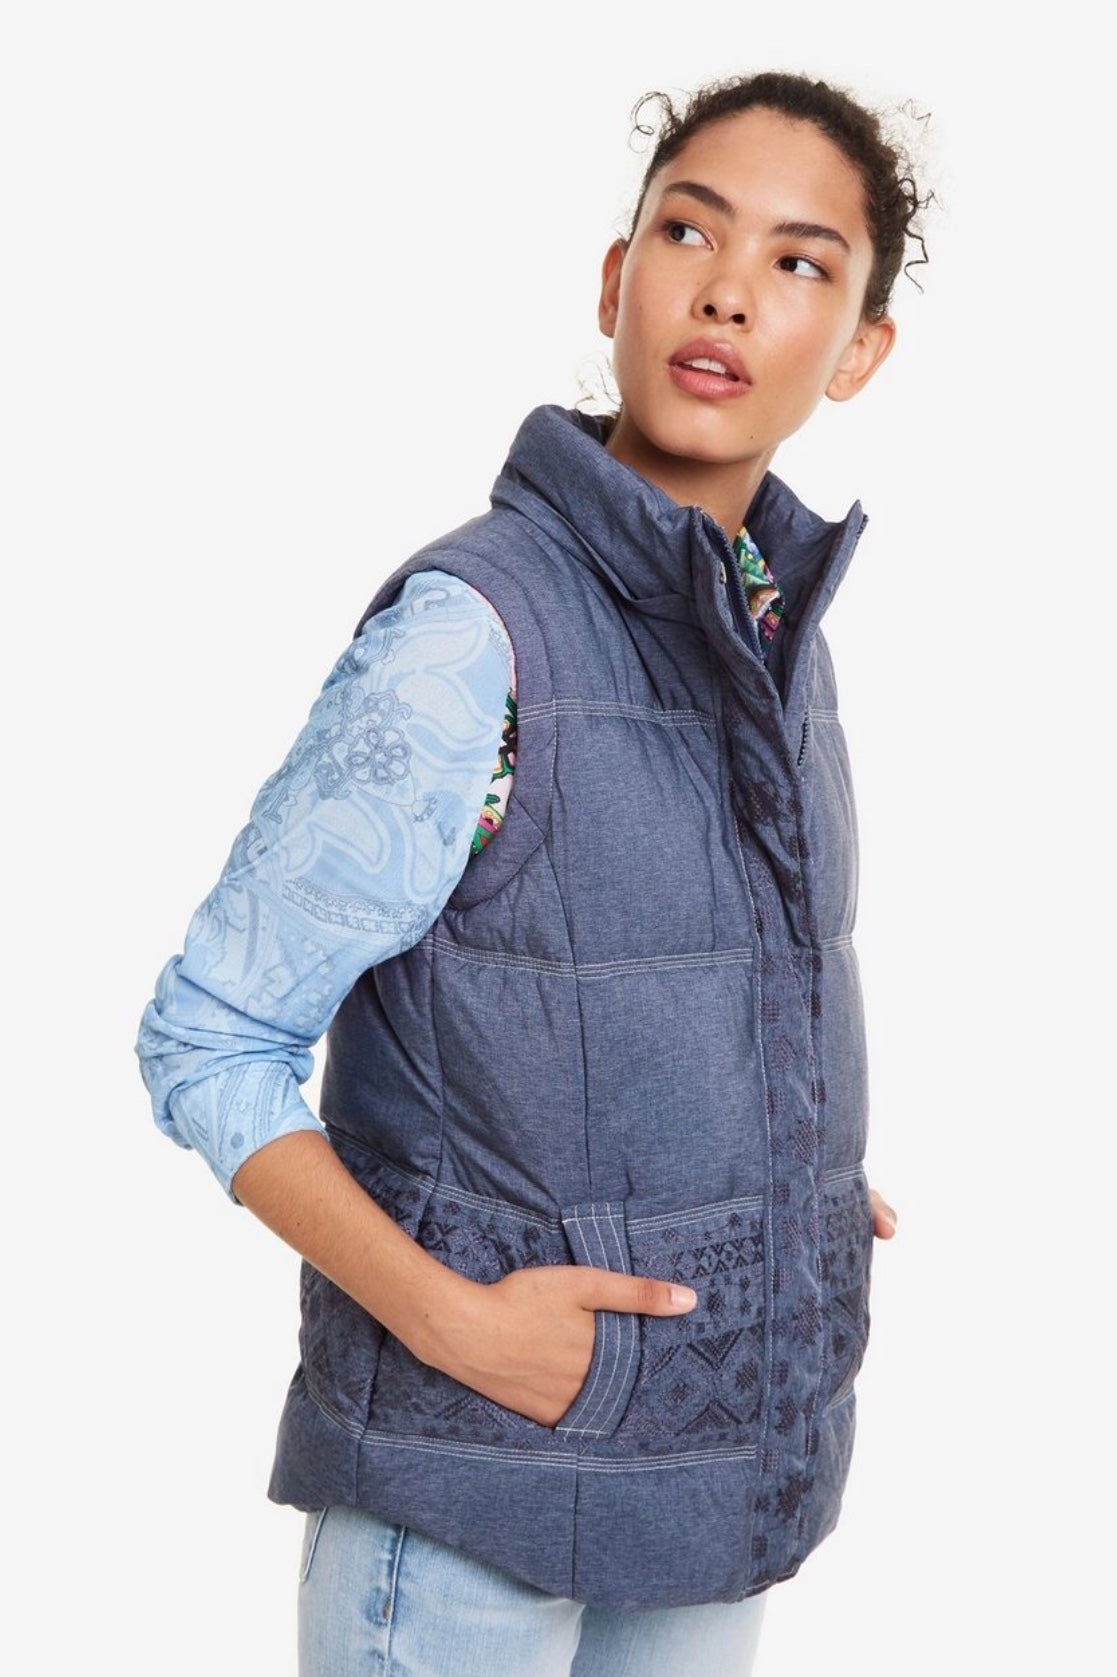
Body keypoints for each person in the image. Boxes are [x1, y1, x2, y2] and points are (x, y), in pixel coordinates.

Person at [137, 68, 925, 1677]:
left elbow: (647, 984)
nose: (725, 290)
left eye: (797, 261)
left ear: (857, 348)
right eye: (687, 231)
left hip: (710, 1475)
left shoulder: (779, 647)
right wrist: (456, 1322)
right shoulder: (473, 635)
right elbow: (207, 1035)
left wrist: (785, 1174)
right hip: (468, 1495)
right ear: (615, 277)